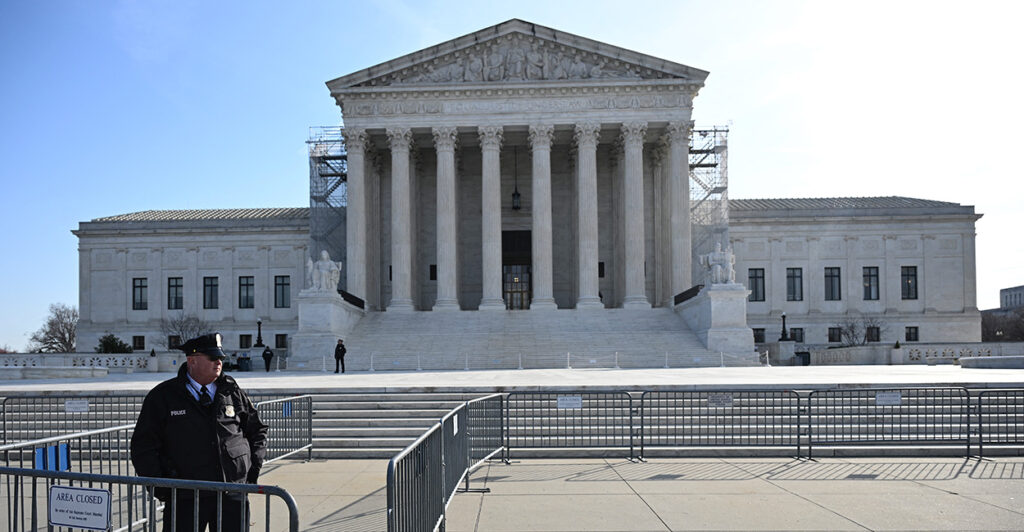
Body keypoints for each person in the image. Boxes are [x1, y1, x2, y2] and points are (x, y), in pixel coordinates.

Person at [131, 332, 268, 532]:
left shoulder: (231, 391)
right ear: (192, 361)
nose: (219, 362)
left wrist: (251, 470)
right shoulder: (164, 396)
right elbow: (143, 445)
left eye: (221, 357)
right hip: (185, 495)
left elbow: (257, 431)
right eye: (212, 358)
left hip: (232, 492)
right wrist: (162, 486)